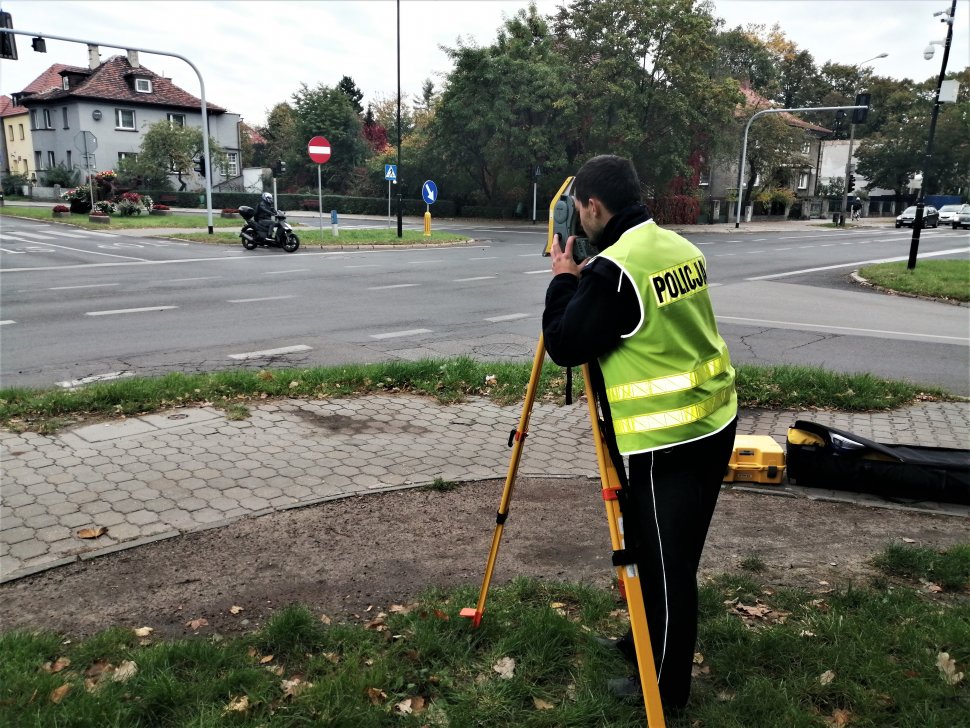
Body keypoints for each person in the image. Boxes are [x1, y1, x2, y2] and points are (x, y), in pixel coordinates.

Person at [542, 155, 738, 712]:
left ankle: (666, 692)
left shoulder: (613, 271)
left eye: (578, 212)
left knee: (666, 567)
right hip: (713, 421)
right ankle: (643, 646)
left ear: (594, 207)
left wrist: (563, 281)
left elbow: (564, 344)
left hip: (667, 441)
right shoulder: (678, 248)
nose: (576, 224)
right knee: (668, 555)